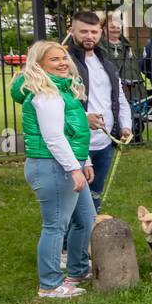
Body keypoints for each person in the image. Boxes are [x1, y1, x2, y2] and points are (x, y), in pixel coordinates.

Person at [10, 41, 95, 297]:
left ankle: (78, 268)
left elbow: (73, 131)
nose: (62, 63)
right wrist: (74, 169)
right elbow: (54, 138)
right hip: (51, 166)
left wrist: (85, 160)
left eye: (64, 58)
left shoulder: (63, 90)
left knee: (85, 219)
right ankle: (50, 284)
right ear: (39, 65)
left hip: (68, 164)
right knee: (56, 225)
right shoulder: (46, 95)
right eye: (54, 60)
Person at [65, 11, 132, 209]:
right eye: (83, 31)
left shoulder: (106, 63)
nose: (89, 36)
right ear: (72, 31)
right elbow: (59, 104)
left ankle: (90, 237)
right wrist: (84, 117)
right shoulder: (64, 63)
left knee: (95, 197)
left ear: (100, 32)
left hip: (104, 144)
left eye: (93, 31)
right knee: (74, 202)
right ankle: (70, 240)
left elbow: (119, 97)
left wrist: (125, 126)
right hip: (76, 144)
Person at [99, 12, 140, 99]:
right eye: (112, 27)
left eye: (118, 27)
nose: (116, 30)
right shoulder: (100, 48)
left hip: (133, 89)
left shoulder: (128, 46)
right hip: (113, 90)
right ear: (104, 29)